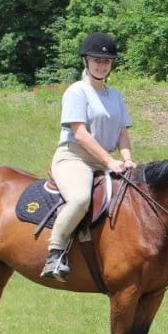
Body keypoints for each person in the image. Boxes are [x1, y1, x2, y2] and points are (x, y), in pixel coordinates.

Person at [41, 32, 136, 281]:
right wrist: (109, 161)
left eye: (106, 61)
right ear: (86, 60)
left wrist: (127, 159)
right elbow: (80, 134)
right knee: (81, 198)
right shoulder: (77, 92)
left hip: (107, 160)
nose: (101, 65)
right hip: (74, 158)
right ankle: (55, 252)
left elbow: (123, 133)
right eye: (96, 60)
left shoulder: (116, 96)